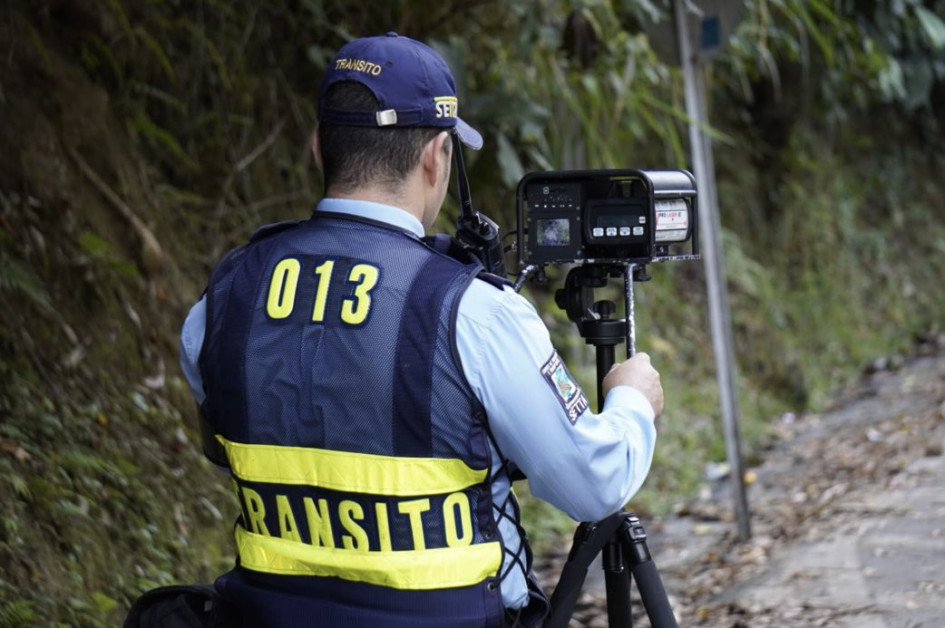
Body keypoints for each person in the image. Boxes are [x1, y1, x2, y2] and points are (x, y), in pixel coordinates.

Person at [179, 32, 663, 628]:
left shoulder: (225, 297)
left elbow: (225, 444)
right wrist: (631, 401)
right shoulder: (471, 311)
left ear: (318, 148)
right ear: (437, 155)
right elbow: (594, 484)